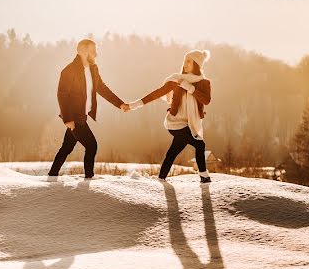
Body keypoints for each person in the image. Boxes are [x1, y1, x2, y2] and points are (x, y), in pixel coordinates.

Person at [128, 50, 213, 183]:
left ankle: (161, 177)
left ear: (197, 64)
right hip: (175, 123)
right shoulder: (176, 80)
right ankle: (204, 177)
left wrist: (190, 88)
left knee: (173, 151)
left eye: (189, 61)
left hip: (190, 124)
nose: (185, 64)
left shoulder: (204, 83)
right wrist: (134, 105)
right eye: (184, 61)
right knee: (200, 145)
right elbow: (157, 93)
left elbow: (206, 100)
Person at [49, 39, 129, 179]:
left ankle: (52, 175)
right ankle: (88, 179)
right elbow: (62, 95)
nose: (96, 54)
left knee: (67, 147)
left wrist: (120, 103)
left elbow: (101, 88)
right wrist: (68, 119)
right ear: (82, 51)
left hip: (82, 115)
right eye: (93, 51)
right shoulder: (69, 70)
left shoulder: (93, 69)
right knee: (92, 146)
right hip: (75, 117)